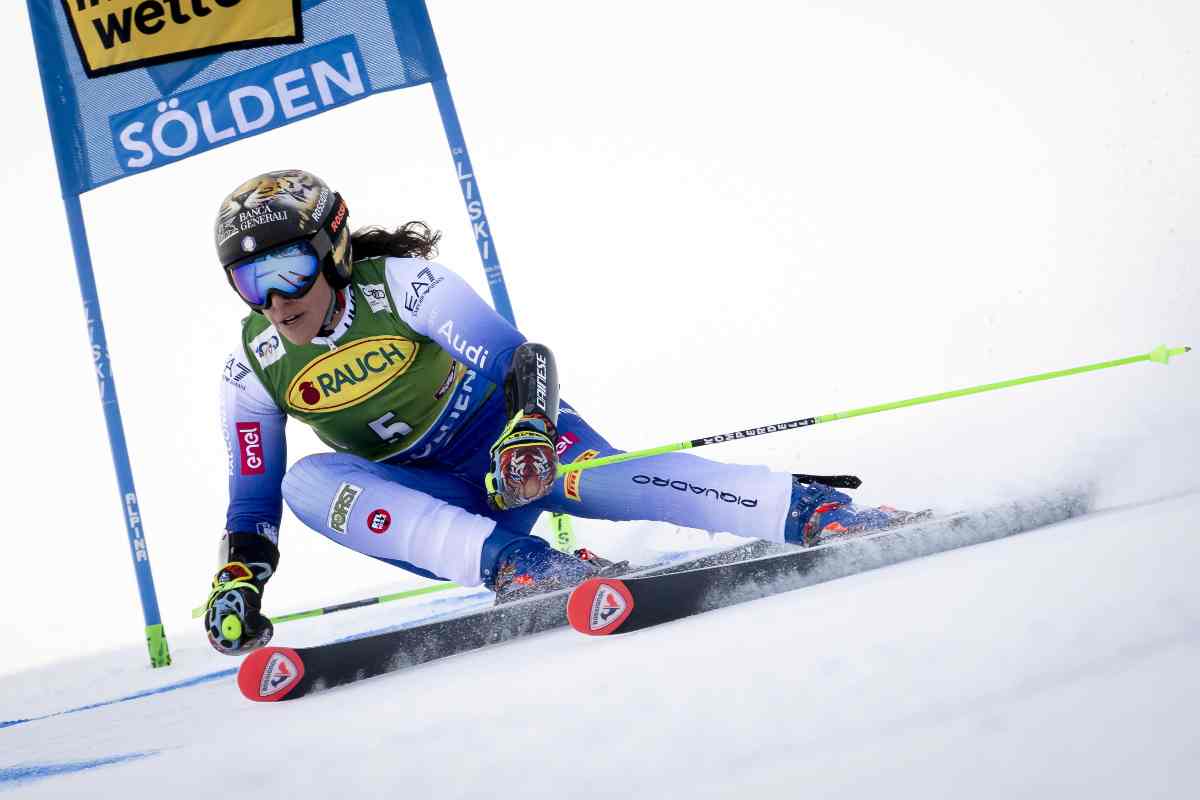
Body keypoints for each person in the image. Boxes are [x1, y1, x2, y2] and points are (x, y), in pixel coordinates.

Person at [204, 169, 919, 655]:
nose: (274, 298)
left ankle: (810, 510)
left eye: (287, 268)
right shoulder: (252, 364)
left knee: (592, 479)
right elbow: (253, 507)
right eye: (249, 280)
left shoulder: (405, 286)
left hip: (511, 448)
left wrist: (529, 432)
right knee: (307, 484)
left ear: (332, 249)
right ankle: (522, 566)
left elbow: (523, 360)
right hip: (441, 505)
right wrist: (239, 580)